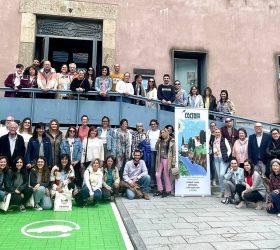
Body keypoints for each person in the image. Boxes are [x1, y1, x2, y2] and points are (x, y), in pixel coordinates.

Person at [154, 128, 175, 198]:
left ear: (166, 133)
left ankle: (168, 191)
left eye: (163, 132)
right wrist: (158, 140)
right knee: (157, 174)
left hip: (167, 160)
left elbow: (174, 153)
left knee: (166, 175)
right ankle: (160, 190)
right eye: (161, 133)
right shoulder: (160, 140)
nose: (162, 134)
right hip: (160, 159)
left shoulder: (171, 140)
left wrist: (173, 161)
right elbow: (156, 148)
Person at [210, 128, 231, 198]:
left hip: (223, 159)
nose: (217, 133)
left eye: (218, 132)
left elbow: (229, 149)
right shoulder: (213, 140)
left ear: (220, 133)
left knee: (222, 174)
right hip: (216, 159)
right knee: (219, 176)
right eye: (216, 132)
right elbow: (212, 148)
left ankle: (226, 191)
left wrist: (226, 156)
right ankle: (222, 191)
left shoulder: (224, 139)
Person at [147, 119, 160, 189]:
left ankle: (158, 183)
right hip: (150, 151)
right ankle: (152, 183)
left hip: (158, 152)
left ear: (157, 124)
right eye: (151, 124)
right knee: (151, 167)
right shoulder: (148, 132)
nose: (153, 125)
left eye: (154, 124)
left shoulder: (159, 132)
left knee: (158, 167)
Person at [209, 122, 218, 186]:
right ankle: (209, 179)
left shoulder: (218, 133)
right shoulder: (208, 133)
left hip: (215, 153)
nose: (212, 127)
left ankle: (214, 179)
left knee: (213, 167)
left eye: (213, 126)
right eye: (211, 126)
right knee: (209, 166)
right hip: (208, 153)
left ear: (215, 126)